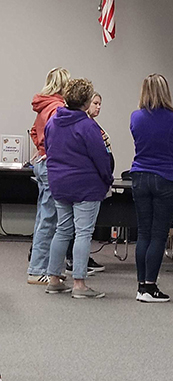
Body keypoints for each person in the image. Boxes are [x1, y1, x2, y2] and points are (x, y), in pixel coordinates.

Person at [43, 78, 113, 298]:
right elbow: (101, 157)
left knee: (62, 230)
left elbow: (49, 148)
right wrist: (107, 179)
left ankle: (54, 279)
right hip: (86, 186)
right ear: (86, 102)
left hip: (59, 184)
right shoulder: (88, 125)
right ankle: (80, 284)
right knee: (83, 233)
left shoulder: (53, 122)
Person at [130, 74, 173, 303]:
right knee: (159, 234)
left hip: (139, 177)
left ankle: (141, 286)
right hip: (167, 178)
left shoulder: (136, 117)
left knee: (143, 233)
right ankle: (150, 286)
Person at [27, 67, 70, 285]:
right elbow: (57, 137)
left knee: (44, 217)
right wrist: (49, 151)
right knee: (50, 220)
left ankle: (45, 267)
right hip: (51, 165)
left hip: (42, 164)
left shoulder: (43, 106)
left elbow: (34, 131)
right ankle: (38, 270)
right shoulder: (58, 107)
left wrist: (40, 148)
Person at [65, 91, 113, 275]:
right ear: (86, 104)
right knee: (78, 229)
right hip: (87, 181)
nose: (98, 107)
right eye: (95, 103)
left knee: (81, 228)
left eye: (100, 103)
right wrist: (106, 177)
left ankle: (81, 259)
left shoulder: (94, 125)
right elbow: (97, 155)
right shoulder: (84, 125)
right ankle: (74, 264)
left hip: (94, 180)